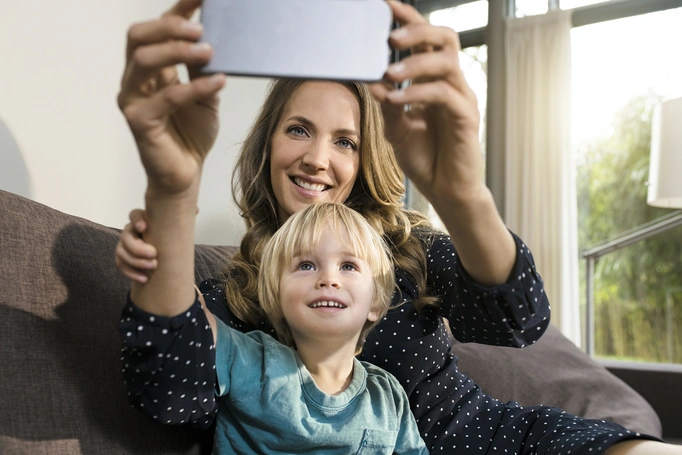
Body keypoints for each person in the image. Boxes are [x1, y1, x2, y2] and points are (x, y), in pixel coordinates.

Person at [117, 0, 679, 453]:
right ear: (267, 145)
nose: (317, 158)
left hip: (496, 441)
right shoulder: (232, 298)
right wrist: (172, 190)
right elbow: (172, 394)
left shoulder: (406, 251)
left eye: (345, 141)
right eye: (298, 130)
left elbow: (519, 319)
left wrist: (462, 194)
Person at [123, 201, 429, 454]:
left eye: (348, 266)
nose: (328, 279)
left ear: (375, 303)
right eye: (306, 265)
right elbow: (189, 326)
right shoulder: (255, 361)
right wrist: (164, 256)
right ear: (277, 296)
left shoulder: (389, 396)